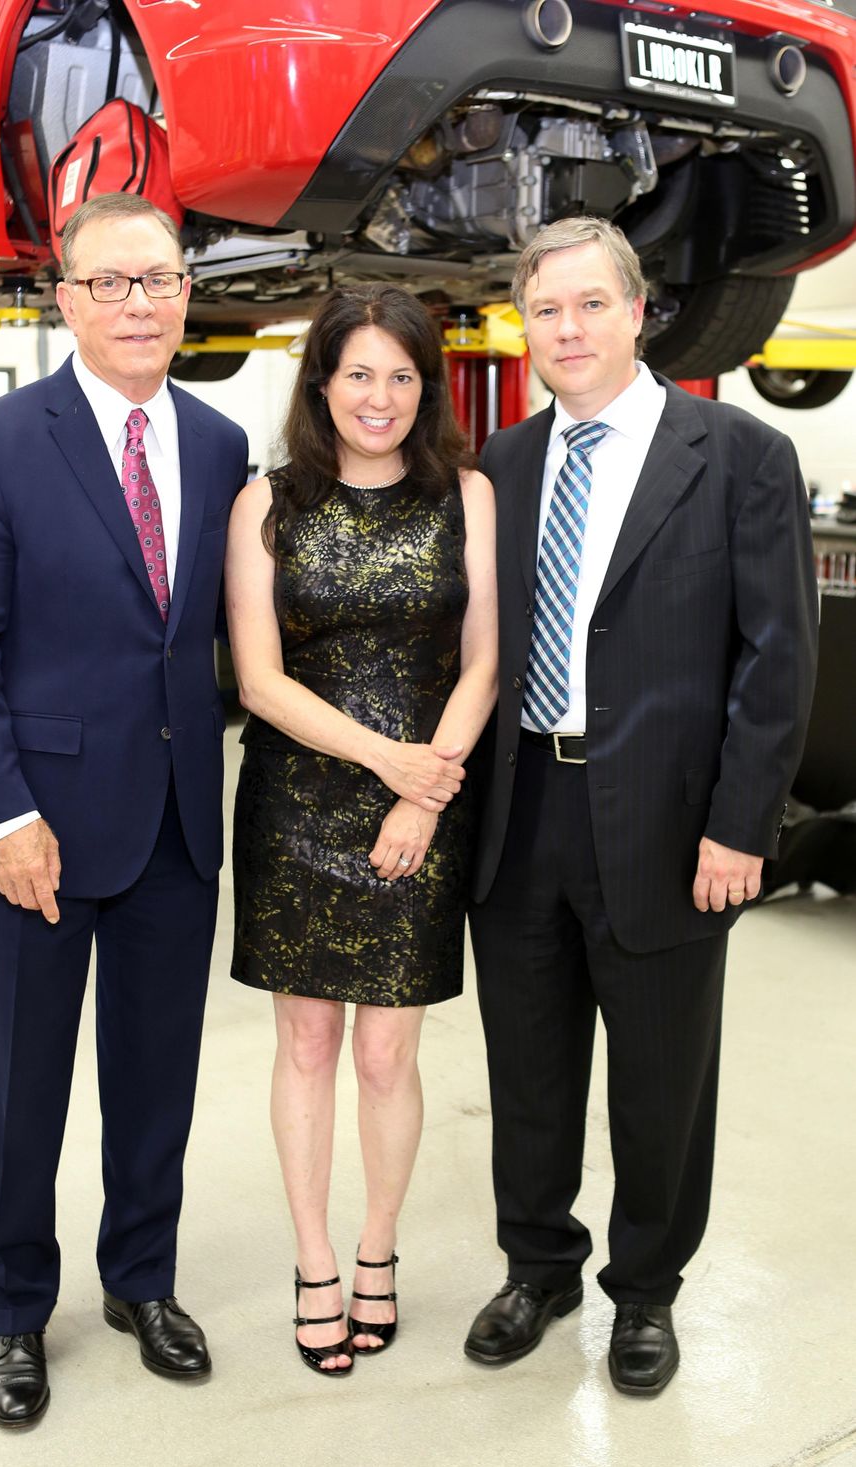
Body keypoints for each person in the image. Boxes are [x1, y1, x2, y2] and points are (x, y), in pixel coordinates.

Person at [464, 216, 818, 1395]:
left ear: (636, 310)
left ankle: (646, 1289)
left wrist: (740, 823)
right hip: (519, 812)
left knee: (661, 1076)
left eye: (586, 305)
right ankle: (537, 1262)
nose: (564, 330)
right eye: (544, 310)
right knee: (525, 1065)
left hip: (671, 827)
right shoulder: (503, 464)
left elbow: (775, 659)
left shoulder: (736, 453)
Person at [0, 193, 249, 1427]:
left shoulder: (217, 447)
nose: (139, 305)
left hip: (171, 819)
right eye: (110, 284)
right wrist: (2, 815)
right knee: (20, 1085)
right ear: (65, 301)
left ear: (184, 294)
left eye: (158, 281)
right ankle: (13, 1309)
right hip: (38, 830)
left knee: (155, 1074)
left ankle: (141, 1280)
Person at [225, 283, 497, 1375]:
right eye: (357, 374)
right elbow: (257, 678)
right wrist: (393, 764)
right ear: (321, 383)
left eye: (400, 376)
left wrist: (422, 794)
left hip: (423, 806)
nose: (377, 397)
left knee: (388, 1049)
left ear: (423, 388)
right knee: (306, 1042)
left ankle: (377, 1248)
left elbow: (480, 659)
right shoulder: (266, 502)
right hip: (300, 802)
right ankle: (313, 1261)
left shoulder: (465, 496)